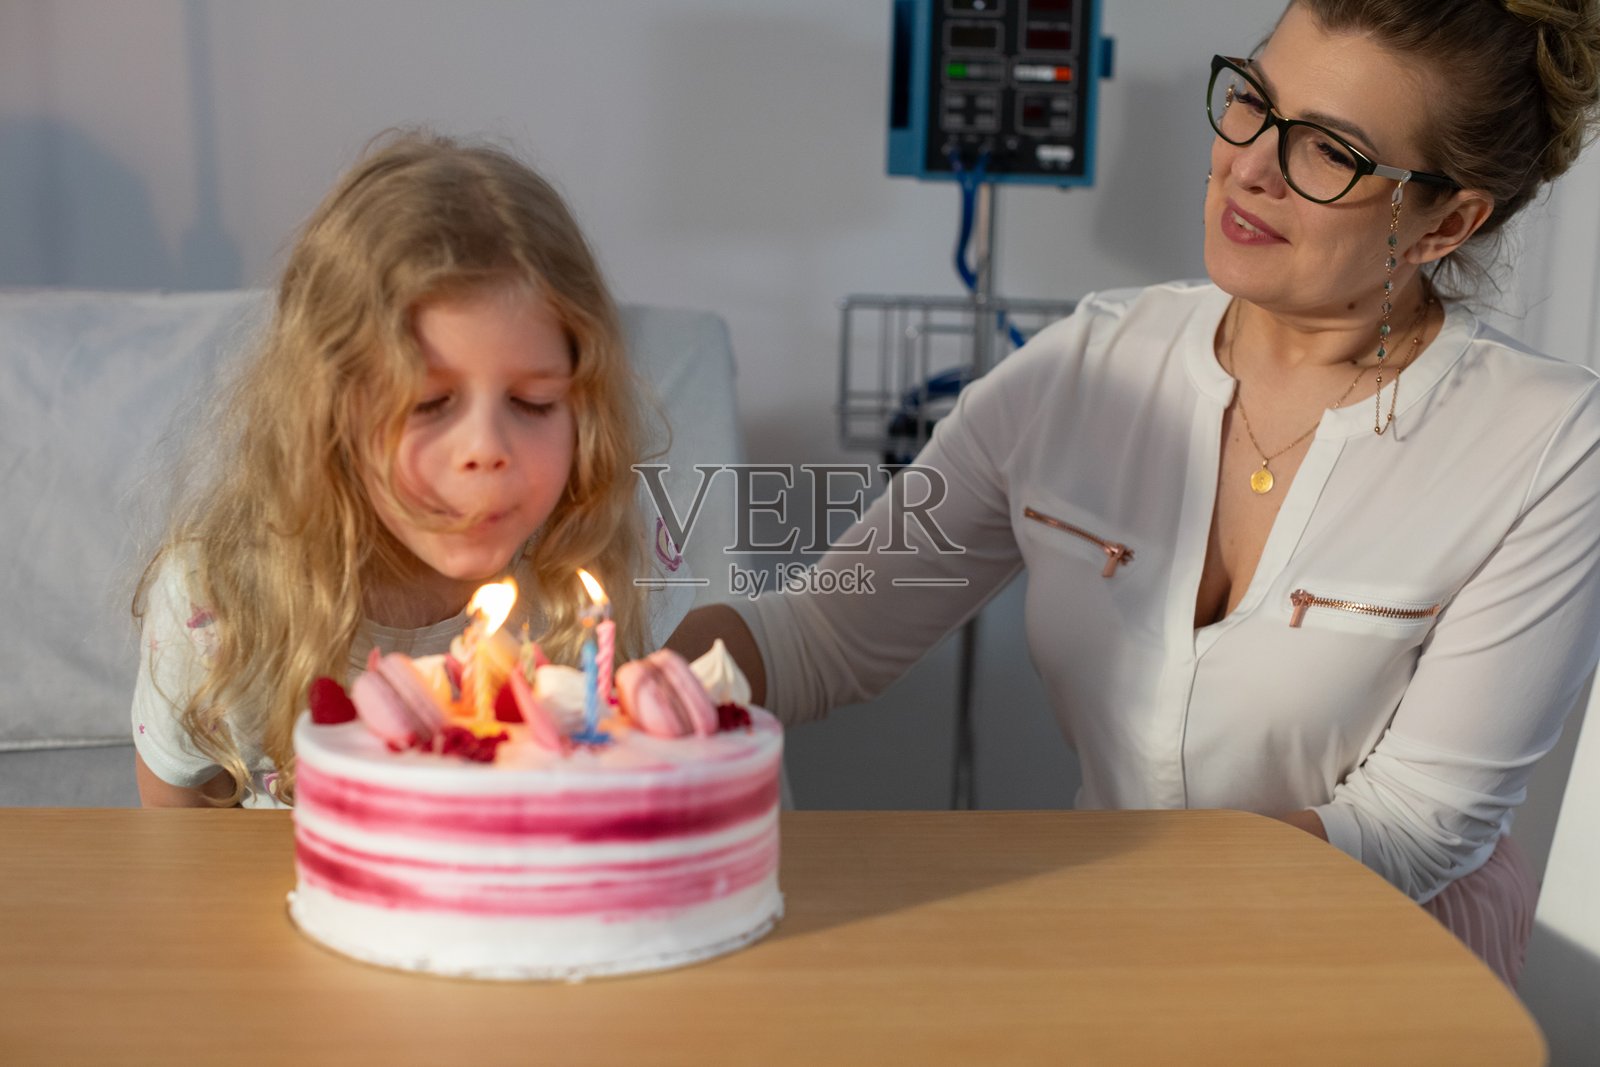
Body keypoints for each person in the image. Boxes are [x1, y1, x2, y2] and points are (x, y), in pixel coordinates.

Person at [669, 0, 1600, 986]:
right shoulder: (1083, 366)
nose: (1247, 161)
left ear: (1442, 223)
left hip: (1377, 969)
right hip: (1126, 942)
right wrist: (624, 697)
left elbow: (1415, 823)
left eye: (1325, 150)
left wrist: (1105, 907)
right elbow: (823, 633)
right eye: (1251, 100)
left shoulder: (1545, 442)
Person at [132, 132, 684, 809]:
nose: (487, 447)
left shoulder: (574, 579)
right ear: (328, 411)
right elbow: (173, 838)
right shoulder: (217, 600)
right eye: (428, 402)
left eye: (533, 402)